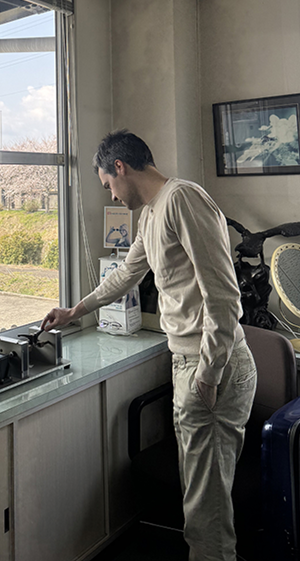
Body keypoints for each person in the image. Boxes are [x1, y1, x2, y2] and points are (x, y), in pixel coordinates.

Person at [41, 130, 257, 561]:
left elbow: (223, 295)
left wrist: (209, 375)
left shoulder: (182, 199)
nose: (112, 195)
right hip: (190, 363)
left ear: (119, 168)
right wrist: (75, 310)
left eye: (108, 185)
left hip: (212, 365)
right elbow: (125, 274)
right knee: (202, 501)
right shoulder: (151, 215)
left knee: (205, 511)